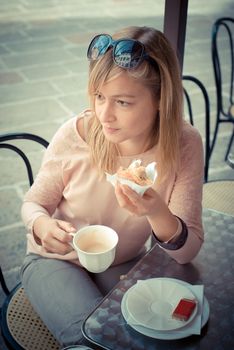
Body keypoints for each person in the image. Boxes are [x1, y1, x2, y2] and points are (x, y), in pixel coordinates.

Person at [20, 26, 204, 347]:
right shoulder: (76, 133)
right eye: (99, 96)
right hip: (54, 260)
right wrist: (41, 223)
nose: (104, 115)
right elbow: (33, 204)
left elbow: (187, 254)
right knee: (91, 340)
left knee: (156, 333)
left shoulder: (184, 143)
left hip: (122, 261)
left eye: (122, 101)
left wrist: (157, 211)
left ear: (161, 99)